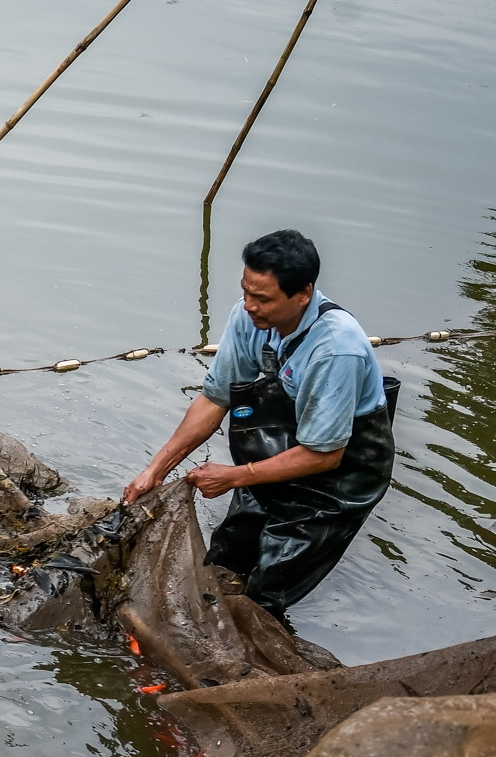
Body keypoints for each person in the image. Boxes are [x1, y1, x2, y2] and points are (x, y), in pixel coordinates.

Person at [123, 229, 397, 623]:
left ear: (303, 293)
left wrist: (235, 476)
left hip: (339, 476)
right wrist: (155, 470)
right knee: (227, 556)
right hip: (279, 451)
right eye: (246, 292)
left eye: (263, 298)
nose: (249, 306)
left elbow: (325, 454)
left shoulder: (336, 350)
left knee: (266, 588)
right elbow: (215, 399)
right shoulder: (248, 316)